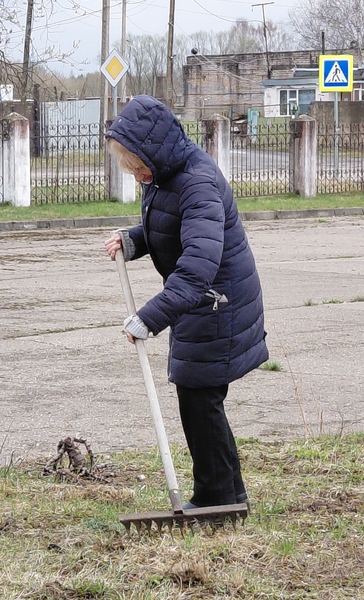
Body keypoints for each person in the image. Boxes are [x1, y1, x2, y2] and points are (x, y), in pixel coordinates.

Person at [103, 95, 269, 510]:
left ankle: (218, 500)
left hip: (218, 304)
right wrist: (133, 239)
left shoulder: (196, 182)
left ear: (153, 150)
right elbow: (168, 226)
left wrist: (148, 317)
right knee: (199, 400)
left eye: (136, 164)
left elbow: (197, 267)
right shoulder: (165, 176)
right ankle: (228, 498)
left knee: (200, 401)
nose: (135, 174)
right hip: (201, 303)